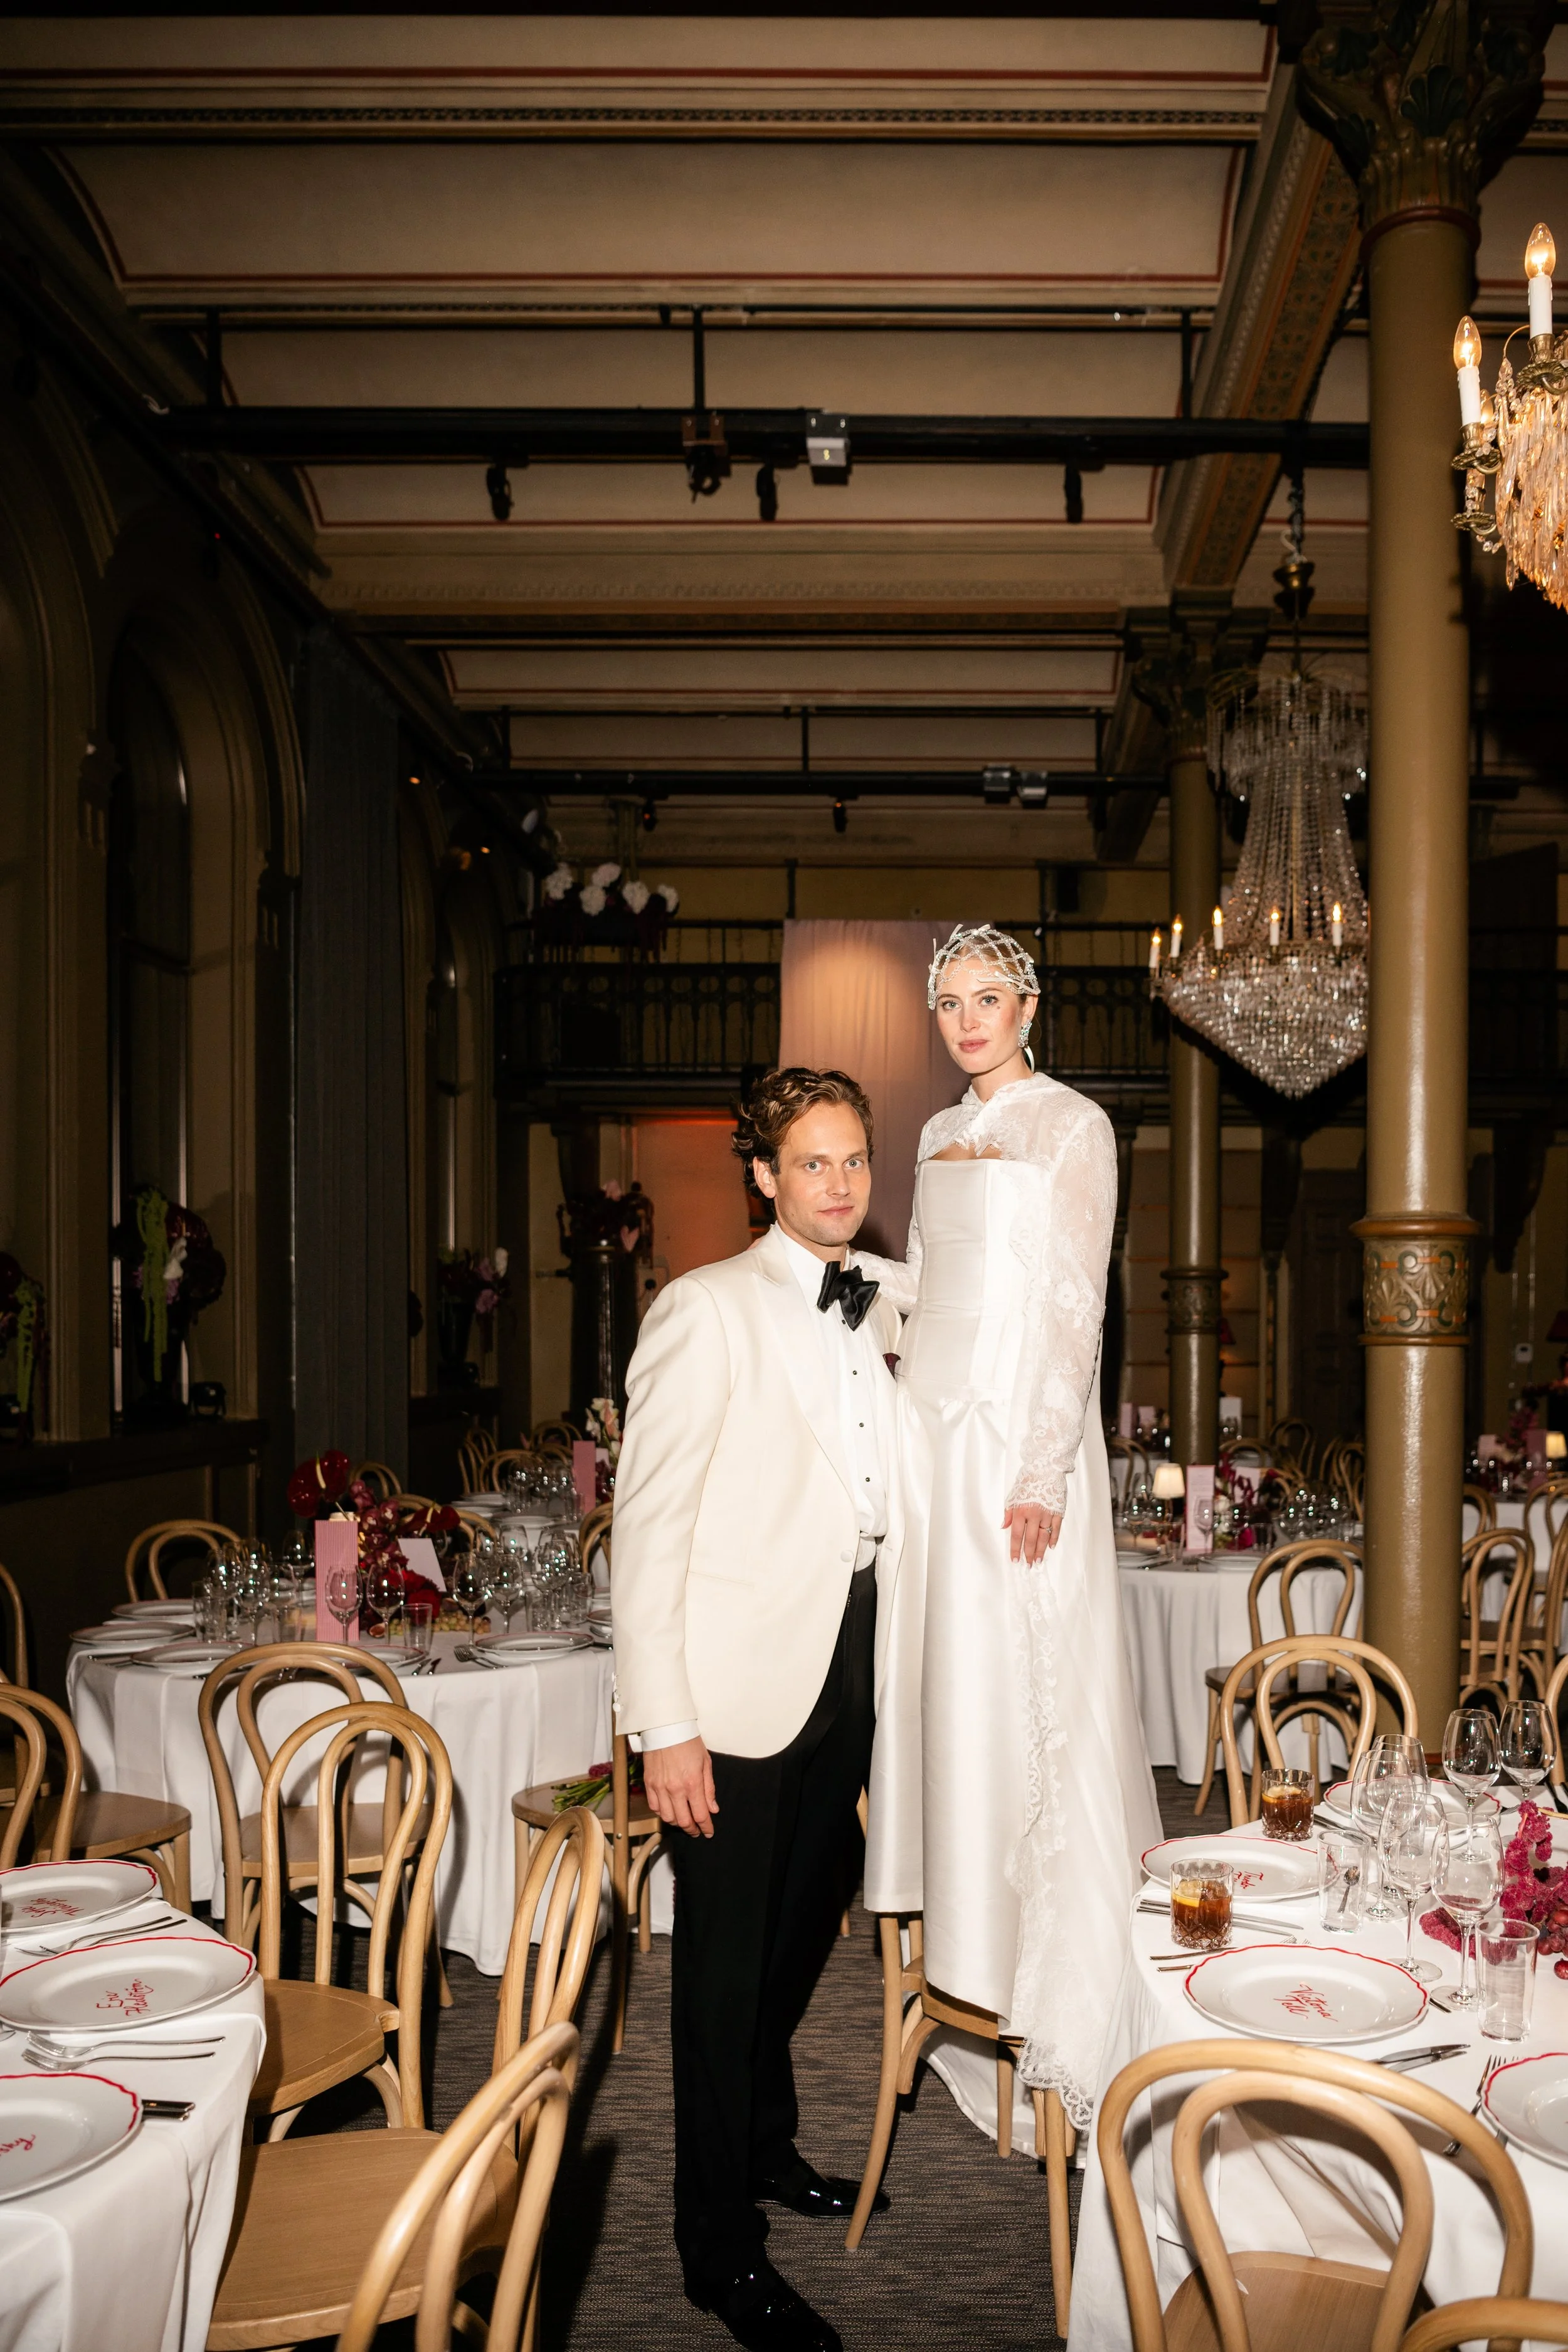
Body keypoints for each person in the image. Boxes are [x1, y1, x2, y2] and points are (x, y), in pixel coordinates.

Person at [612, 1066, 902, 2352]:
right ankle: (713, 2252)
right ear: (763, 1177)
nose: (837, 1185)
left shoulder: (886, 1300)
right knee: (720, 1984)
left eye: (853, 1162)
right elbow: (647, 1526)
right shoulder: (703, 1308)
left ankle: (768, 2146)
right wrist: (661, 1722)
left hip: (847, 1663)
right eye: (813, 1163)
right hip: (728, 1692)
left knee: (808, 1916)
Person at [856, 923, 1160, 2134]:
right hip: (931, 1440)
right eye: (950, 1002)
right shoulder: (931, 1133)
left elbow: (1076, 1304)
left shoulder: (1073, 1125)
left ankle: (1049, 1983)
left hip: (1015, 1451)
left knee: (1029, 1693)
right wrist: (863, 1309)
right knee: (947, 1691)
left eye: (990, 997)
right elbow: (930, 1280)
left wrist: (1040, 1467)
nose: (969, 1019)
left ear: (1029, 1005)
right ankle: (966, 1948)